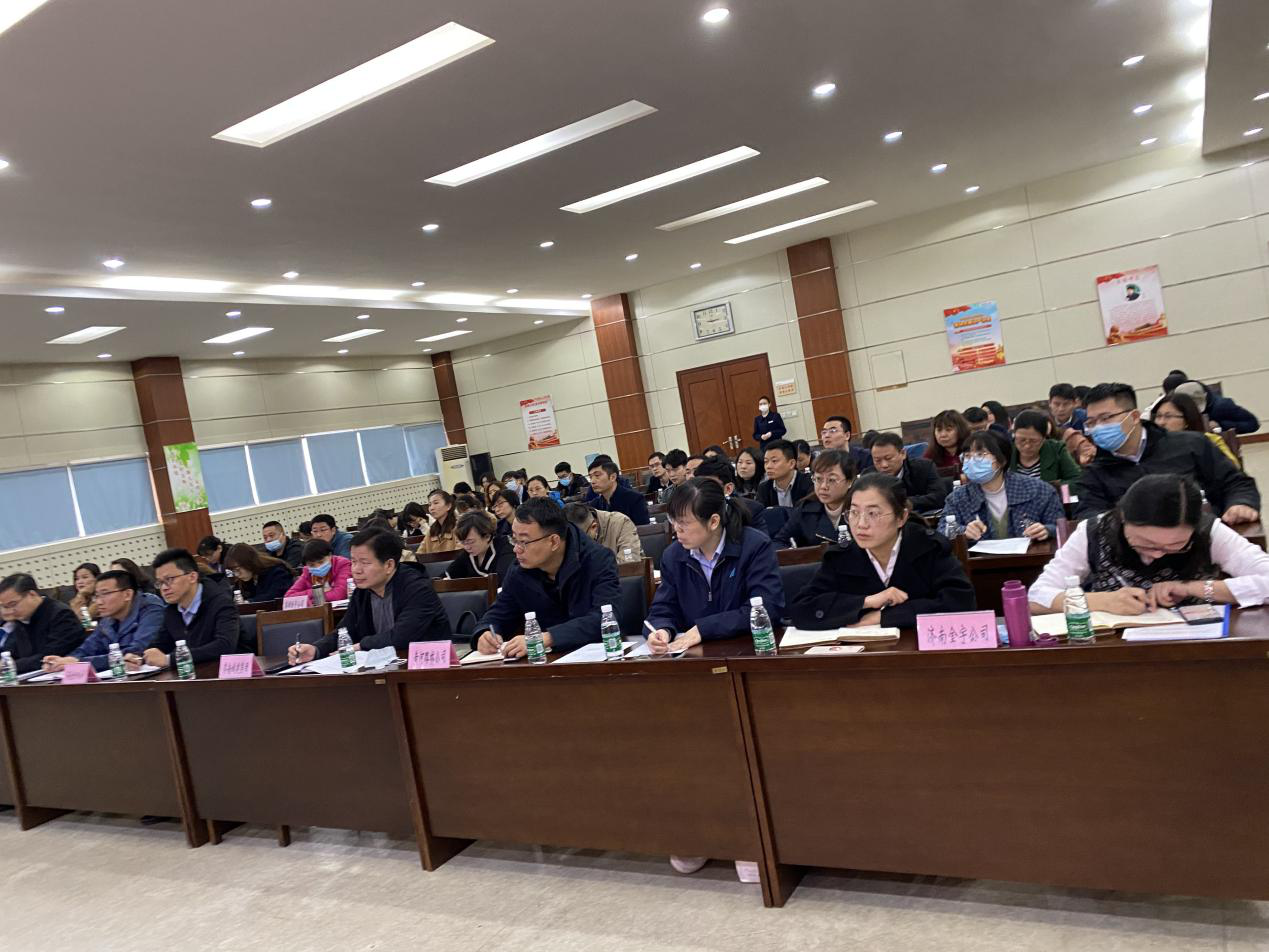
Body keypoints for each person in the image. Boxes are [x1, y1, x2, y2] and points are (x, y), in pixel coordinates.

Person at [1029, 474, 1269, 614]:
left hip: (1197, 644)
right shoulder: (1094, 531)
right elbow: (1037, 597)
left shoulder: (1209, 531)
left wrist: (1193, 588)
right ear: (1123, 517)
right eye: (1145, 543)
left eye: (1176, 545)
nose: (1157, 555)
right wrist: (1101, 601)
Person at [789, 474, 976, 629]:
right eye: (854, 512)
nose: (861, 524)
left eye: (873, 513)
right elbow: (802, 609)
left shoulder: (928, 547)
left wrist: (884, 617)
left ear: (901, 517)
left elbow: (961, 603)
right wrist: (867, 602)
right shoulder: (842, 557)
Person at [1075, 382, 1259, 524]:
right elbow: (1089, 514)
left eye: (1106, 418)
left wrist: (1240, 503)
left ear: (1134, 417)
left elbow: (1235, 482)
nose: (1098, 427)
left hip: (1202, 540)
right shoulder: (1095, 472)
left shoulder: (1191, 444)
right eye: (1091, 422)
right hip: (1135, 551)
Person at [647, 478, 784, 652]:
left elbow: (766, 607)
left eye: (684, 523)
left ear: (713, 522)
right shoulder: (673, 556)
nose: (676, 529)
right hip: (695, 654)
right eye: (673, 520)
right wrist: (662, 629)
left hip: (751, 648)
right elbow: (663, 608)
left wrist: (704, 629)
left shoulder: (754, 546)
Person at [472, 498, 620, 657]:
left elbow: (606, 617)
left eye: (524, 541)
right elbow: (500, 611)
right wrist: (485, 632)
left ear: (554, 541)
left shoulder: (598, 559)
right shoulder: (519, 569)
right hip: (545, 661)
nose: (516, 549)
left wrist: (548, 638)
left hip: (599, 656)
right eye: (514, 539)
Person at [289, 528, 451, 662]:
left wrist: (361, 646)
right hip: (382, 666)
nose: (356, 570)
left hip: (427, 665)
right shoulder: (362, 592)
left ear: (389, 565)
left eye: (365, 563)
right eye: (353, 561)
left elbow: (401, 636)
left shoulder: (417, 587)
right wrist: (316, 649)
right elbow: (345, 630)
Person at [130, 549, 239, 671]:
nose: (164, 588)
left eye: (169, 579)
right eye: (160, 582)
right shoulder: (171, 610)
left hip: (231, 673)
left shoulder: (221, 602)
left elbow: (224, 646)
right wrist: (138, 658)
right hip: (193, 675)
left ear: (192, 577)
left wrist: (169, 659)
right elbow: (161, 644)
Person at [944, 431, 1063, 542]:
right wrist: (963, 531)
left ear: (1002, 460)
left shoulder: (1038, 490)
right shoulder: (957, 498)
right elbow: (943, 529)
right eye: (967, 456)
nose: (972, 461)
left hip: (1032, 555)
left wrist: (1047, 530)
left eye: (980, 455)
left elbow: (1060, 526)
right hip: (980, 557)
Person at [42, 570, 165, 673]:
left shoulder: (150, 608)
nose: (99, 602)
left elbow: (136, 651)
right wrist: (63, 661)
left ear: (127, 594)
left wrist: (77, 662)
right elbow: (87, 648)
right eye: (96, 596)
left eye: (105, 594)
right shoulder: (108, 619)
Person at [0, 573, 85, 674]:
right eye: (5, 607)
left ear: (32, 595)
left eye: (13, 604)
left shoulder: (61, 614)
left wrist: (11, 665)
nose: (10, 611)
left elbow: (49, 657)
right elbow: (8, 653)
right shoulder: (21, 620)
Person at [772, 450, 856, 548]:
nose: (823, 486)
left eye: (831, 480)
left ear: (849, 482)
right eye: (818, 479)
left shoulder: (861, 508)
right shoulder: (806, 509)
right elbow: (779, 542)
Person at [1153, 390, 1240, 469]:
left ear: (1187, 420)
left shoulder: (1209, 441)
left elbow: (1232, 469)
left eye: (1168, 416)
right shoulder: (1152, 445)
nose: (1161, 422)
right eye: (1158, 416)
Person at [869, 432, 948, 513]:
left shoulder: (924, 467)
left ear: (903, 454)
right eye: (877, 460)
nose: (884, 465)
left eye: (888, 458)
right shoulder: (869, 477)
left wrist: (908, 502)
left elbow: (939, 496)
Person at [1009, 409, 1082, 485]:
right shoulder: (1007, 451)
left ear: (1044, 438)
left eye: (1033, 441)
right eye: (1022, 440)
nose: (1027, 446)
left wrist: (1053, 488)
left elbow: (1077, 481)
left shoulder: (1056, 450)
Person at [694, 455, 764, 528]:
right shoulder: (691, 509)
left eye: (709, 485)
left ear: (728, 489)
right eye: (699, 485)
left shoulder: (752, 510)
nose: (702, 490)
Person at [445, 510, 517, 580]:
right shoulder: (467, 555)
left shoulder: (506, 550)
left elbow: (506, 581)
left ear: (487, 536)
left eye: (471, 541)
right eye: (463, 542)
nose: (467, 547)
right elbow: (446, 577)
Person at [563, 502, 644, 562]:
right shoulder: (562, 536)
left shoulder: (620, 523)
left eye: (579, 540)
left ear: (594, 527)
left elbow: (629, 564)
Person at [284, 539, 353, 605]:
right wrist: (317, 591)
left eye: (321, 562)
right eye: (312, 565)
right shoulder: (307, 571)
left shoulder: (343, 564)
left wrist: (308, 601)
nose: (317, 567)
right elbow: (288, 597)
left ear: (330, 555)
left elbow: (339, 594)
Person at [588, 458, 651, 525]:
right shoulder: (594, 506)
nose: (592, 481)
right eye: (590, 477)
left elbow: (643, 528)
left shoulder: (635, 499)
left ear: (613, 477)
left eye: (597, 475)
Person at [224, 543, 294, 602]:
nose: (236, 574)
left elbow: (275, 596)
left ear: (248, 563)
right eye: (233, 571)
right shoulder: (243, 579)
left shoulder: (277, 571)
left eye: (238, 570)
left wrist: (249, 602)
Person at [757, 439, 813, 509]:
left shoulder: (810, 483)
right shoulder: (764, 488)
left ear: (791, 463)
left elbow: (810, 512)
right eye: (766, 461)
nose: (768, 466)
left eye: (774, 461)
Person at [923, 409, 971, 475]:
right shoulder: (930, 455)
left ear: (961, 430)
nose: (943, 435)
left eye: (948, 430)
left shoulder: (972, 450)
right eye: (939, 430)